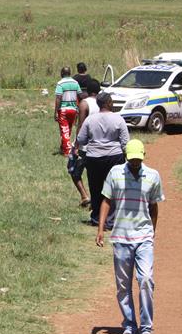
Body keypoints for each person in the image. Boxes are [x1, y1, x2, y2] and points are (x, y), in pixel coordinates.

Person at [96, 139, 164, 334]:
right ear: (126, 156)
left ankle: (146, 328)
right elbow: (106, 200)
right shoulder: (115, 173)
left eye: (138, 160)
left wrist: (151, 232)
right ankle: (129, 324)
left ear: (143, 157)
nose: (135, 163)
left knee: (146, 280)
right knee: (123, 285)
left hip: (143, 238)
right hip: (121, 238)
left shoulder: (153, 176)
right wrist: (100, 229)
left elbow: (154, 206)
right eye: (132, 159)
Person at [76, 91, 130, 228]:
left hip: (94, 157)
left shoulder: (90, 120)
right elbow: (125, 142)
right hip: (114, 157)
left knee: (95, 188)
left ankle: (96, 218)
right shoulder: (118, 119)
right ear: (108, 103)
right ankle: (110, 221)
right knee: (113, 188)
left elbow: (81, 139)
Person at [68, 78, 101, 207]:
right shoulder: (103, 103)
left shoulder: (84, 103)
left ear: (87, 90)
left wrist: (77, 145)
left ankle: (84, 196)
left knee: (73, 170)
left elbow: (81, 125)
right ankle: (96, 200)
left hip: (85, 146)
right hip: (98, 144)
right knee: (94, 175)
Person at [54, 66, 82, 155]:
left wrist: (56, 111)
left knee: (64, 130)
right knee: (68, 130)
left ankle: (67, 151)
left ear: (62, 73)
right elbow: (80, 96)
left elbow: (58, 98)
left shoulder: (60, 83)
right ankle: (63, 147)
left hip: (63, 110)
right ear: (70, 73)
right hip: (73, 110)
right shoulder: (75, 83)